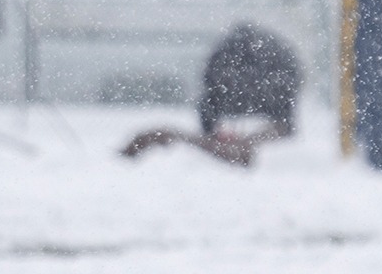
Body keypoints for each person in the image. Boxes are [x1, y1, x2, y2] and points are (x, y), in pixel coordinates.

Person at [121, 22, 302, 167]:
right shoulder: (266, 65)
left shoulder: (235, 64)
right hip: (265, 97)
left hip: (265, 98)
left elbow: (211, 84)